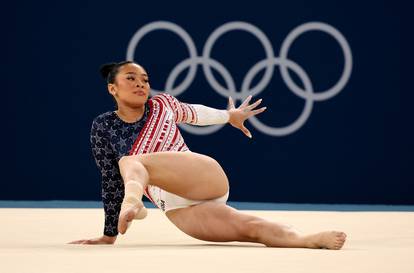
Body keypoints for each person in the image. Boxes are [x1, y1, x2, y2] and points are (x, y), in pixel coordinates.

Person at [69, 61, 347, 249]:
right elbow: (109, 179)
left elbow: (196, 113)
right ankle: (306, 239)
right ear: (112, 88)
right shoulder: (103, 126)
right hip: (178, 207)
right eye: (131, 79)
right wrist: (109, 235)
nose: (141, 84)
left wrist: (230, 116)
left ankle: (134, 204)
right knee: (250, 228)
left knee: (130, 161)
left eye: (145, 80)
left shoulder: (162, 104)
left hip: (200, 177)